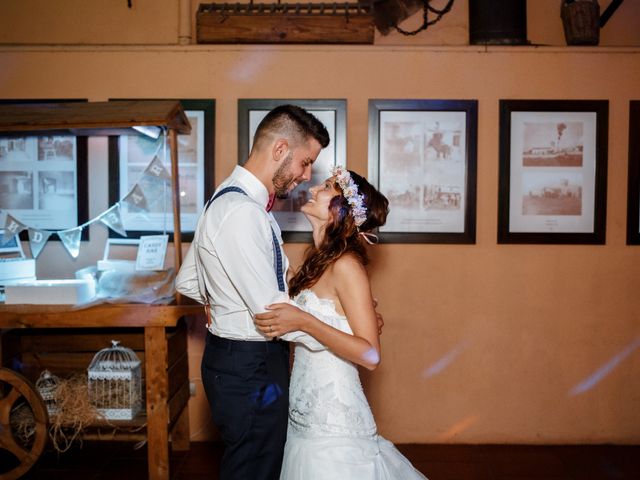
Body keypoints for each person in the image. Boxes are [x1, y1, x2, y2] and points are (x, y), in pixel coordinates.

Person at [175, 104, 330, 480]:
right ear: (280, 150)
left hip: (239, 361)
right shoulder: (242, 212)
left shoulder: (230, 200)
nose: (306, 176)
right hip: (251, 366)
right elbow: (273, 313)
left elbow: (187, 281)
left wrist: (224, 303)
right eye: (305, 162)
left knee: (257, 461)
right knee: (255, 468)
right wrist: (338, 331)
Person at [254, 166, 428, 479]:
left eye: (327, 187)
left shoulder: (347, 265)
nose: (315, 189)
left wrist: (305, 321)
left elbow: (370, 356)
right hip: (303, 416)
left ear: (341, 210)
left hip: (335, 425)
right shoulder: (317, 262)